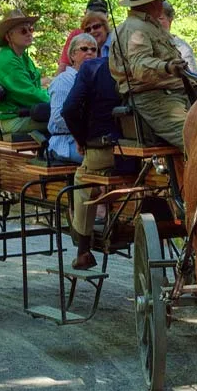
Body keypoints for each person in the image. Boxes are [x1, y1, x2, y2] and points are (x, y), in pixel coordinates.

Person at [62, 53, 137, 269]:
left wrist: (81, 139)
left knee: (82, 180)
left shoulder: (93, 68)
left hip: (109, 150)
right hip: (147, 152)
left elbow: (69, 109)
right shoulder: (147, 65)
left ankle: (83, 249)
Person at [107, 0, 189, 149]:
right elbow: (139, 66)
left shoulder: (150, 25)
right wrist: (167, 67)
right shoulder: (135, 29)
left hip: (174, 95)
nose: (162, 3)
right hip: (155, 101)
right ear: (152, 3)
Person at [0, 10, 50, 134]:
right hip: (11, 120)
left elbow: (33, 88)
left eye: (30, 29)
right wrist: (58, 100)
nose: (29, 34)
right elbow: (29, 95)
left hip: (24, 114)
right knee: (63, 121)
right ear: (8, 36)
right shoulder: (7, 61)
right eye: (23, 31)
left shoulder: (22, 56)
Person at [46, 32, 98, 164]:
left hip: (92, 140)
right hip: (65, 143)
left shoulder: (97, 79)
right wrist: (85, 128)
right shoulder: (63, 81)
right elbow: (58, 118)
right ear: (73, 55)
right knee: (103, 160)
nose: (90, 52)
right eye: (84, 49)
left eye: (94, 50)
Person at [161, 0, 196, 70]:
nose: (155, 22)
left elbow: (191, 74)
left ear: (170, 20)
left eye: (160, 18)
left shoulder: (182, 48)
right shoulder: (144, 42)